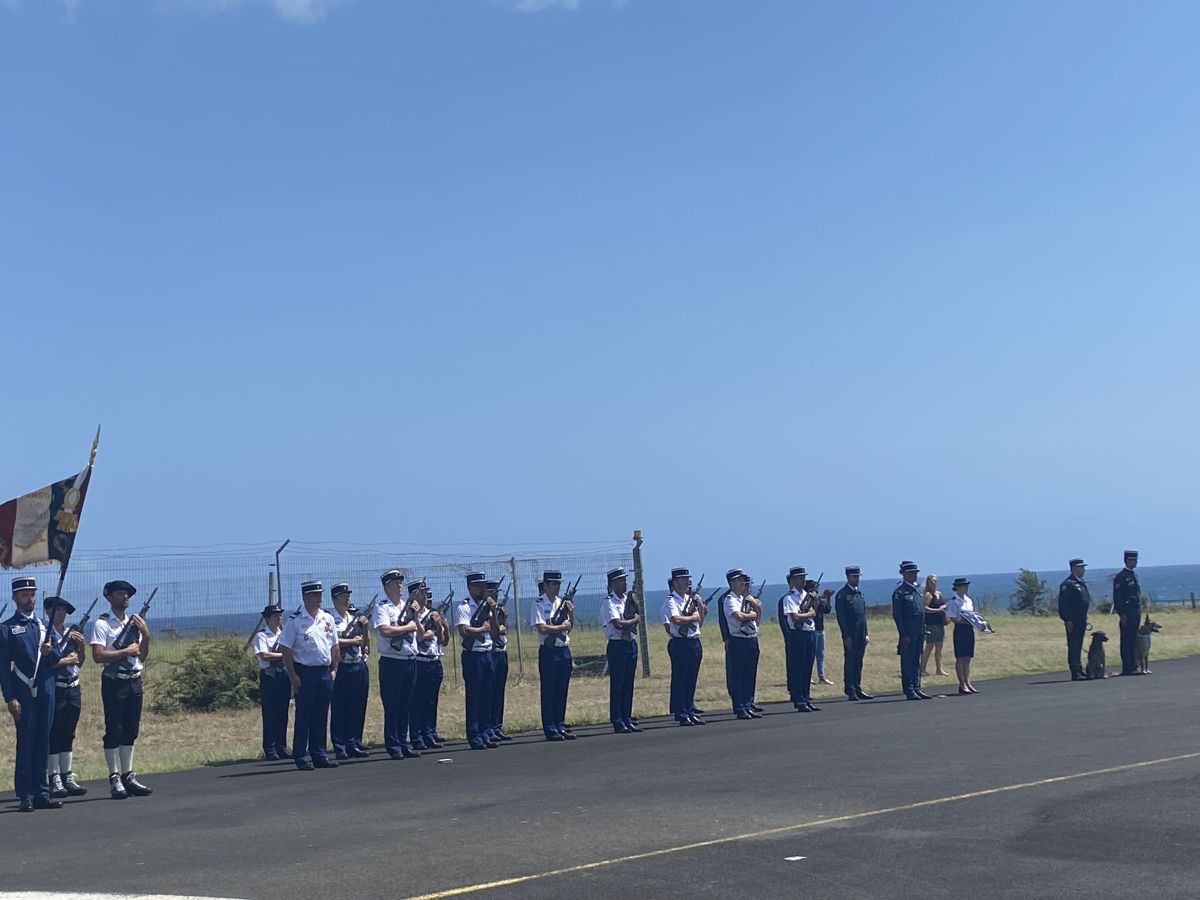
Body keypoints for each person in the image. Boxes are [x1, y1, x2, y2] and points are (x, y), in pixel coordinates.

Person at [2, 576, 65, 812]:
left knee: (43, 742)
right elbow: (3, 669)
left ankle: (42, 792)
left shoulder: (42, 626)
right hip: (23, 692)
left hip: (46, 689)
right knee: (26, 742)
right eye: (25, 595)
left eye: (32, 594)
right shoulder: (7, 628)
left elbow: (58, 658)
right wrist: (10, 697)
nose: (30, 598)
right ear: (15, 598)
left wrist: (49, 651)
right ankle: (25, 794)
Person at [90, 578, 153, 798]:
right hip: (114, 681)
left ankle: (128, 774)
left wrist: (145, 634)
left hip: (134, 679)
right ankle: (114, 776)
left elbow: (141, 656)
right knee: (114, 729)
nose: (124, 597)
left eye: (126, 594)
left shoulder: (134, 624)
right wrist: (124, 652)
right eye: (119, 593)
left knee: (130, 730)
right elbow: (98, 656)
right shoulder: (102, 624)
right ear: (109, 597)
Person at [278, 580, 340, 771]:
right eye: (314, 595)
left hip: (323, 672)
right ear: (305, 597)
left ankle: (319, 753)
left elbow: (334, 646)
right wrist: (292, 675)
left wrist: (333, 669)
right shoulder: (295, 621)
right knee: (304, 715)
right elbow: (285, 648)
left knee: (321, 715)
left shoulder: (327, 618)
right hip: (305, 672)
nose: (318, 599)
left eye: (320, 595)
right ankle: (301, 755)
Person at [374, 569, 422, 758]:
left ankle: (404, 742)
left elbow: (419, 633)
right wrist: (407, 626)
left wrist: (416, 618)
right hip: (392, 662)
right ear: (387, 586)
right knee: (392, 705)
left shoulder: (407, 606)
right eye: (395, 583)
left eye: (401, 583)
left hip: (410, 660)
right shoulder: (383, 607)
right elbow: (385, 630)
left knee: (406, 704)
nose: (400, 586)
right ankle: (393, 745)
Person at [46, 596, 88, 799]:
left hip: (73, 687)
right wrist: (66, 660)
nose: (61, 613)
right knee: (54, 732)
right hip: (56, 687)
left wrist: (81, 647)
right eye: (58, 609)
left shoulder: (70, 633)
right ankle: (53, 776)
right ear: (48, 611)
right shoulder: (44, 633)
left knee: (69, 732)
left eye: (64, 610)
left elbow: (79, 662)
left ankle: (66, 774)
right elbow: (48, 662)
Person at [456, 572, 497, 750]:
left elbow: (494, 633)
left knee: (487, 695)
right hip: (473, 655)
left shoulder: (485, 607)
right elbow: (463, 630)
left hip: (487, 652)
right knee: (475, 696)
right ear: (470, 587)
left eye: (483, 586)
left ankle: (485, 730)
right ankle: (474, 734)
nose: (482, 589)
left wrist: (494, 612)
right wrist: (482, 628)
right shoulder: (464, 607)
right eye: (479, 586)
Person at [532, 570, 574, 742]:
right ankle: (550, 727)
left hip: (563, 648)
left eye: (559, 584)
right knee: (549, 690)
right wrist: (560, 628)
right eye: (554, 584)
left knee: (561, 689)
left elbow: (569, 626)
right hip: (549, 651)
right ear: (546, 585)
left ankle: (560, 724)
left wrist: (570, 613)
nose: (557, 587)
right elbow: (541, 628)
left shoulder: (561, 603)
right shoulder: (539, 603)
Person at [329, 583, 370, 760]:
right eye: (343, 596)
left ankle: (353, 742)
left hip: (356, 663)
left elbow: (364, 642)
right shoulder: (330, 619)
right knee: (339, 707)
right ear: (335, 599)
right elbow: (332, 642)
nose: (347, 599)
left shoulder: (352, 618)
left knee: (356, 705)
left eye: (348, 595)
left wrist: (365, 627)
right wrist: (350, 641)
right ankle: (340, 746)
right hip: (341, 666)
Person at [662, 567, 706, 726]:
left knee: (691, 678)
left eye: (687, 579)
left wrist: (700, 607)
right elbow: (676, 620)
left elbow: (700, 621)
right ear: (675, 582)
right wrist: (693, 617)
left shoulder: (691, 599)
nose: (687, 582)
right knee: (681, 678)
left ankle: (689, 708)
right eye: (683, 579)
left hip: (693, 640)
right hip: (680, 642)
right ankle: (681, 712)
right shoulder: (671, 600)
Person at [601, 566, 641, 733]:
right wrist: (633, 621)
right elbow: (617, 624)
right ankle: (617, 719)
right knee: (618, 683)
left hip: (630, 642)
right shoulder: (609, 602)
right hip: (617, 644)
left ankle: (627, 716)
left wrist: (635, 614)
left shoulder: (628, 600)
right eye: (620, 581)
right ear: (612, 584)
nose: (624, 583)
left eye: (624, 580)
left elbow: (636, 615)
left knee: (629, 683)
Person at [411, 581, 449, 750]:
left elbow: (441, 640)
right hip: (420, 660)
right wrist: (428, 632)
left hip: (434, 659)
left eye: (425, 593)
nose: (425, 596)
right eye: (421, 593)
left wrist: (439, 626)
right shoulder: (412, 614)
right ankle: (417, 735)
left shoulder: (431, 613)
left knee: (431, 700)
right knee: (418, 701)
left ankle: (429, 732)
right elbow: (418, 637)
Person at [252, 603, 291, 760]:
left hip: (283, 675)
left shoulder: (284, 634)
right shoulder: (262, 636)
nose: (279, 618)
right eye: (275, 616)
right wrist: (284, 656)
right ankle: (270, 748)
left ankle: (281, 746)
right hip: (269, 676)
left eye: (280, 615)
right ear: (267, 619)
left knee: (283, 712)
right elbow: (264, 655)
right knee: (270, 713)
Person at [723, 570, 762, 719]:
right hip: (738, 639)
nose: (743, 583)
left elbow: (757, 618)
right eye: (739, 580)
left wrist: (755, 607)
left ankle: (747, 704)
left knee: (749, 674)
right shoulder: (730, 599)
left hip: (751, 638)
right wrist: (752, 614)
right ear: (732, 583)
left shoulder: (744, 599)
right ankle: (739, 706)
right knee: (738, 675)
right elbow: (738, 616)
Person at [945, 577, 994, 694]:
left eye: (967, 586)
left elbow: (973, 615)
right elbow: (952, 618)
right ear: (958, 587)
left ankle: (968, 682)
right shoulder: (954, 601)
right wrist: (965, 621)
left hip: (969, 629)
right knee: (960, 657)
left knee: (968, 657)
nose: (966, 588)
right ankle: (962, 684)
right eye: (963, 586)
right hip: (960, 629)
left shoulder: (968, 600)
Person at [892, 561, 929, 700]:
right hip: (908, 632)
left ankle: (916, 687)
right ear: (904, 574)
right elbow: (898, 615)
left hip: (919, 631)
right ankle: (909, 689)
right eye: (911, 573)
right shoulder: (900, 592)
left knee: (916, 660)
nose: (914, 575)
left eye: (915, 573)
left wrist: (923, 629)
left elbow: (920, 612)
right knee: (907, 661)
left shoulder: (916, 591)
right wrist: (903, 634)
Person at [835, 566, 873, 700]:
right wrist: (846, 636)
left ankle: (857, 687)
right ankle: (850, 689)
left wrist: (866, 633)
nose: (856, 579)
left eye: (857, 577)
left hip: (861, 633)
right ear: (848, 577)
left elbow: (863, 616)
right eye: (854, 577)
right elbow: (841, 618)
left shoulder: (859, 594)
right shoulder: (842, 595)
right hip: (850, 633)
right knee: (850, 661)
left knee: (858, 661)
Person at [485, 579, 512, 743]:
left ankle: (497, 725)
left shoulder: (497, 609)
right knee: (490, 691)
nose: (494, 594)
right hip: (491, 652)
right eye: (492, 592)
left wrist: (504, 617)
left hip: (501, 652)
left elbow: (504, 629)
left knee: (499, 691)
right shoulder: (485, 610)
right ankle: (488, 727)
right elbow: (495, 631)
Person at [1057, 558, 1092, 681]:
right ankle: (1075, 671)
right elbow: (1063, 604)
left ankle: (1080, 670)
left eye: (1083, 567)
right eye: (1080, 567)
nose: (1083, 570)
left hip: (1081, 618)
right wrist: (1067, 619)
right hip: (1072, 619)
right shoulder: (1068, 584)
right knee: (1074, 645)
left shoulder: (1080, 582)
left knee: (1079, 644)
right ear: (1073, 569)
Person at [1113, 550, 1142, 676]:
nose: (1134, 562)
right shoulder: (1121, 576)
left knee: (1134, 638)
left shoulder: (1134, 575)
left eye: (1135, 560)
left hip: (1135, 609)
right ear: (1126, 561)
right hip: (1127, 610)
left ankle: (1134, 664)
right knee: (1127, 639)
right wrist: (1122, 613)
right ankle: (1127, 666)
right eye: (1132, 560)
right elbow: (1117, 597)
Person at [920, 575, 948, 677]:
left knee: (939, 646)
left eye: (935, 581)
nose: (934, 583)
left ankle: (939, 669)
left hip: (939, 622)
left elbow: (943, 603)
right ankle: (922, 668)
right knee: (930, 646)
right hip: (931, 623)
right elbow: (925, 608)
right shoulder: (927, 595)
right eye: (932, 581)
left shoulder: (938, 593)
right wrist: (937, 610)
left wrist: (944, 606)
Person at [813, 585, 834, 686]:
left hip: (821, 629)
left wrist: (827, 598)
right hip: (812, 630)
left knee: (820, 654)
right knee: (811, 655)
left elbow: (827, 610)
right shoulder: (809, 600)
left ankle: (821, 676)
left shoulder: (819, 599)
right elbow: (813, 612)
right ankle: (808, 677)